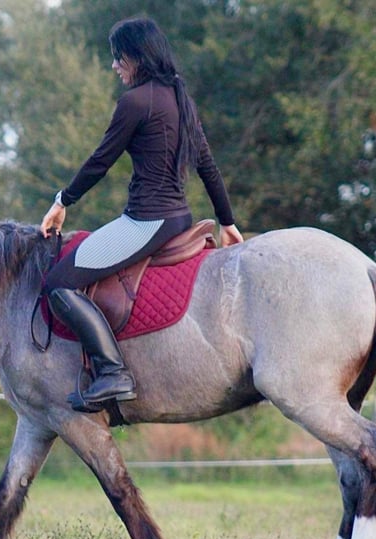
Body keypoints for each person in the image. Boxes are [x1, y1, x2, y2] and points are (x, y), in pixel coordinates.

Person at [40, 17, 244, 413]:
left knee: (58, 283)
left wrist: (62, 201)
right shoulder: (179, 98)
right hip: (179, 219)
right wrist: (228, 221)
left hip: (146, 222)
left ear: (135, 57)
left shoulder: (135, 102)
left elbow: (100, 161)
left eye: (118, 58)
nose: (115, 66)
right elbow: (208, 167)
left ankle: (112, 372)